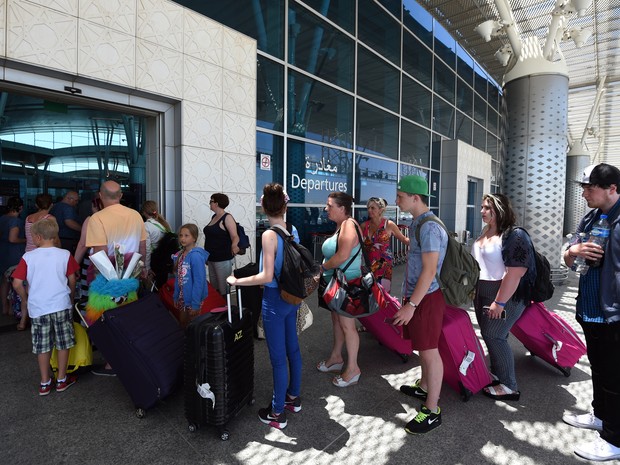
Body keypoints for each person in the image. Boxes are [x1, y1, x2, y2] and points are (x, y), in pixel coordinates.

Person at [227, 183, 302, 430]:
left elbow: (267, 276)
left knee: (278, 359)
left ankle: (277, 412)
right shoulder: (293, 231)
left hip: (273, 301)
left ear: (263, 207)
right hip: (291, 298)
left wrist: (238, 280)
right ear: (285, 205)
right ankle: (293, 397)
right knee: (293, 349)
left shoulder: (269, 235)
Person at [562, 163, 620, 462]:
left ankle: (614, 438)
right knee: (600, 369)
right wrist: (573, 252)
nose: (584, 192)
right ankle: (601, 416)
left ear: (612, 188)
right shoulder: (591, 216)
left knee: (615, 375)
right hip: (590, 308)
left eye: (590, 187)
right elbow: (568, 254)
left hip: (614, 313)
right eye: (583, 187)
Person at [393, 175, 447, 435]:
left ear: (415, 198)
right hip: (420, 296)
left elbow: (428, 271)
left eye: (401, 196)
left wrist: (411, 305)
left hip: (426, 297)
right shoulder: (419, 223)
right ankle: (424, 386)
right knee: (423, 348)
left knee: (429, 351)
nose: (397, 200)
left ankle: (432, 409)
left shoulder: (428, 227)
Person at [470, 193, 534, 401]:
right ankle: (498, 374)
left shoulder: (514, 235)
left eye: (487, 207)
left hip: (507, 293)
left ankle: (509, 385)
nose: (482, 211)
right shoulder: (486, 231)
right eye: (482, 207)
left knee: (494, 335)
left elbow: (515, 273)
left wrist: (499, 302)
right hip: (482, 290)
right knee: (494, 335)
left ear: (500, 209)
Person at [11, 218, 80, 396]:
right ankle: (62, 379)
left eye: (33, 236)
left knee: (43, 345)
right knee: (63, 343)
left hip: (39, 308)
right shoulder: (65, 254)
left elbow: (17, 283)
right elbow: (72, 279)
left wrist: (25, 298)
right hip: (61, 305)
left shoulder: (28, 257)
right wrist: (71, 297)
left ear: (39, 237)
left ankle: (44, 382)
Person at [86, 180, 147, 376]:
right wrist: (141, 270)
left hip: (109, 279)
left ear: (100, 196)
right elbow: (143, 248)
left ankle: (113, 363)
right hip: (131, 276)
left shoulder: (97, 218)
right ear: (120, 196)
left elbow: (100, 253)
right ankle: (131, 355)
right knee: (129, 315)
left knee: (107, 319)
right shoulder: (136, 215)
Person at [316, 192, 363, 388]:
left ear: (342, 208)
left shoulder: (349, 225)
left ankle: (353, 369)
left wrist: (322, 268)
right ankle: (336, 357)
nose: (326, 209)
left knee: (347, 326)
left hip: (346, 285)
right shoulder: (342, 226)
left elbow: (343, 255)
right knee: (337, 320)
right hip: (337, 284)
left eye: (330, 205)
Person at [360, 197, 409, 294]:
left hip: (384, 267)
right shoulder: (364, 226)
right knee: (368, 294)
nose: (369, 210)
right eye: (368, 208)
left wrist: (420, 243)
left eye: (373, 208)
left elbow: (403, 239)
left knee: (383, 295)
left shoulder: (389, 224)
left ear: (381, 210)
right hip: (367, 265)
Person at [172, 223, 209, 328]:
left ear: (194, 238)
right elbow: (178, 278)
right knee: (183, 323)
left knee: (194, 326)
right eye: (180, 235)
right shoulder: (179, 255)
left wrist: (195, 304)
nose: (182, 238)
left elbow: (199, 281)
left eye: (186, 235)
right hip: (182, 297)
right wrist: (175, 296)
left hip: (193, 299)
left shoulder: (196, 257)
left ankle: (194, 344)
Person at [203, 193, 240, 295]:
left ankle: (225, 309)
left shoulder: (227, 217)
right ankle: (218, 308)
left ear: (217, 203)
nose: (209, 203)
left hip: (222, 258)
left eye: (211, 201)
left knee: (223, 289)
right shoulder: (214, 217)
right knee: (214, 288)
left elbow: (235, 236)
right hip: (211, 258)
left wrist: (234, 245)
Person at [0, 197, 26, 319]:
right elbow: (13, 238)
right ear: (20, 208)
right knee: (14, 281)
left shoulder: (2, 218)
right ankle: (11, 308)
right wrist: (26, 240)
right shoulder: (16, 221)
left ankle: (4, 306)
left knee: (4, 281)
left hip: (3, 251)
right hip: (14, 253)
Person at [74, 197, 103, 298]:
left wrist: (74, 265)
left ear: (95, 207)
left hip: (93, 259)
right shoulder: (117, 218)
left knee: (90, 291)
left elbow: (83, 244)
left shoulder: (91, 219)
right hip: (113, 258)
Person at [141, 200, 172, 275]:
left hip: (154, 260)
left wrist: (147, 267)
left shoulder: (146, 226)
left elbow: (147, 249)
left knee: (153, 285)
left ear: (144, 212)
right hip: (164, 259)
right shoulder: (163, 224)